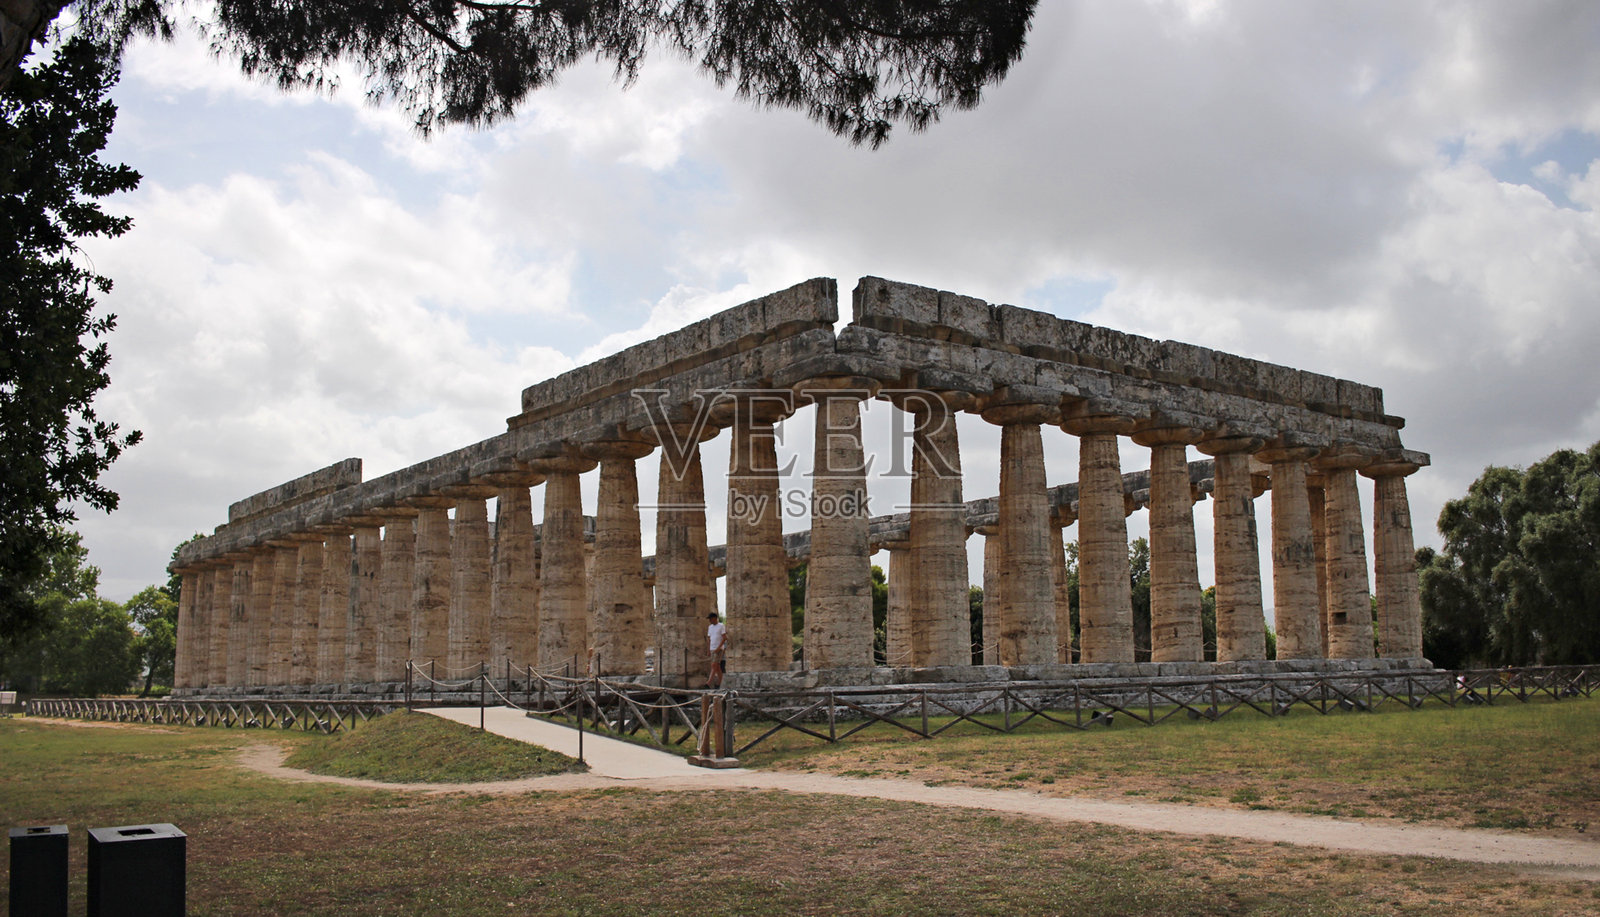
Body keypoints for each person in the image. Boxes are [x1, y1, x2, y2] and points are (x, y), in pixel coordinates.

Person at [706, 612, 727, 688]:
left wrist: (719, 648)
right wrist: (708, 650)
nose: (709, 620)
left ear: (714, 618)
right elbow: (709, 639)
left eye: (710, 619)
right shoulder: (710, 627)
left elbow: (724, 638)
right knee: (717, 667)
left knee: (713, 665)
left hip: (718, 649)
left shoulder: (721, 626)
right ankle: (719, 683)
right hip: (712, 648)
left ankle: (708, 683)